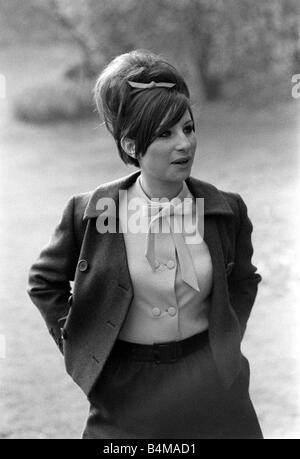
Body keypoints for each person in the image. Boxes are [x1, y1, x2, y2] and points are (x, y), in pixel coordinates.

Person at [27, 49, 263, 439]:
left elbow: (244, 280)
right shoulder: (93, 211)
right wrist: (83, 340)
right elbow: (44, 282)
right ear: (132, 145)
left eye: (188, 128)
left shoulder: (226, 210)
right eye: (165, 134)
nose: (184, 144)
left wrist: (226, 338)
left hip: (215, 386)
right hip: (125, 392)